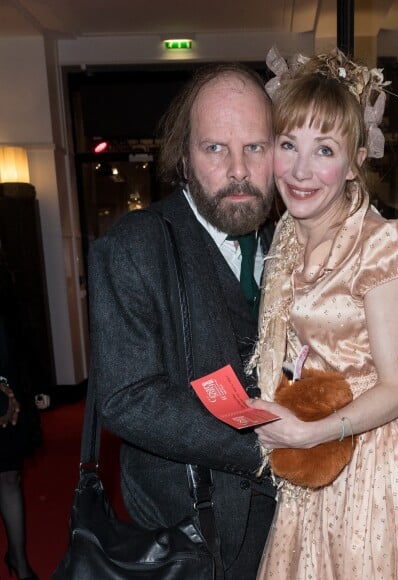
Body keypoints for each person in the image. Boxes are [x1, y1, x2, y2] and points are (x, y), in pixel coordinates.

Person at [246, 48, 398, 578]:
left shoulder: (382, 244)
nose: (301, 171)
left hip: (379, 466)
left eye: (324, 149)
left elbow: (396, 388)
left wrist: (314, 433)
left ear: (354, 161)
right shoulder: (284, 239)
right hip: (317, 455)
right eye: (289, 144)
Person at [87, 63, 277, 579]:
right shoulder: (133, 248)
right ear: (185, 159)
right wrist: (269, 448)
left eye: (255, 148)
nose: (238, 170)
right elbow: (128, 398)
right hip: (190, 539)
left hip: (293, 529)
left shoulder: (289, 243)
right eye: (216, 148)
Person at [0, 244, 40, 580]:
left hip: (7, 382)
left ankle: (19, 561)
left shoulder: (3, 272)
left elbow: (14, 332)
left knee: (9, 474)